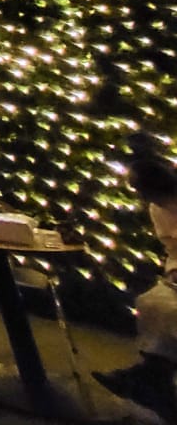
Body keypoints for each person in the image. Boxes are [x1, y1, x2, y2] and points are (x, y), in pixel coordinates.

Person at [94, 153, 177, 420]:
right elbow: (172, 248)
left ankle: (149, 377)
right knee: (152, 302)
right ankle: (154, 377)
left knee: (171, 311)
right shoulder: (158, 209)